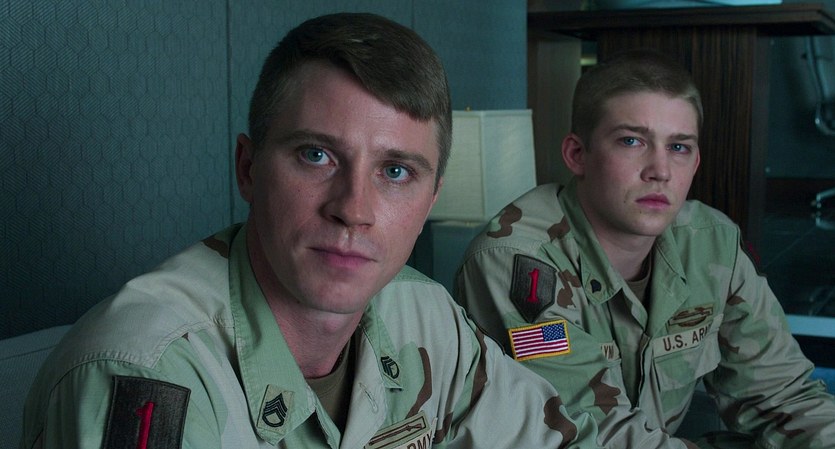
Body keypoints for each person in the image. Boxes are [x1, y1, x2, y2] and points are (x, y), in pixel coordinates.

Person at [21, 12, 603, 449]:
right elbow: (551, 350)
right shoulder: (147, 375)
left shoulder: (425, 315)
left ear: (430, 200)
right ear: (248, 169)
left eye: (396, 172)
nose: (354, 209)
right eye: (316, 156)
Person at [454, 49, 835, 449]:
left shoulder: (712, 243)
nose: (661, 170)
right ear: (577, 155)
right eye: (632, 141)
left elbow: (785, 397)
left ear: (696, 162)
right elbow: (593, 434)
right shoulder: (519, 263)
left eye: (679, 147)